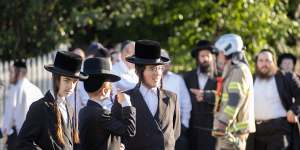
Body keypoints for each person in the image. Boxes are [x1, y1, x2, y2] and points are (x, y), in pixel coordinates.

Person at [17, 51, 88, 149]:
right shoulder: (39, 107)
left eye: (75, 81)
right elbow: (22, 143)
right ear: (55, 78)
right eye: (66, 80)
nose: (71, 86)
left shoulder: (70, 109)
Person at [124, 40, 181, 150]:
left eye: (160, 68)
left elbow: (175, 132)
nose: (158, 73)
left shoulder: (172, 98)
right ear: (140, 71)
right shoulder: (125, 98)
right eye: (152, 68)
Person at [246, 49, 300, 150]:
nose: (264, 64)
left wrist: (294, 110)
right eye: (261, 61)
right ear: (257, 63)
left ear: (273, 62)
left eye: (267, 61)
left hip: (279, 131)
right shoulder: (250, 79)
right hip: (256, 132)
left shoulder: (286, 77)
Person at [79, 57, 136, 150]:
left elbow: (100, 140)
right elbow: (129, 130)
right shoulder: (100, 114)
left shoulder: (84, 111)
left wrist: (116, 146)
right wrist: (126, 104)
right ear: (105, 91)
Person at [212, 34, 255, 150]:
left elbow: (235, 99)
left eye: (218, 53)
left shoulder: (238, 71)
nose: (216, 57)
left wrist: (223, 122)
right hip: (228, 133)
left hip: (233, 133)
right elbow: (226, 96)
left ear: (226, 51)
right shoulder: (233, 70)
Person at [183, 40, 217, 150]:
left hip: (212, 130)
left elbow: (225, 97)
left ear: (212, 57)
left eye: (208, 55)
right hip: (192, 129)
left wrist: (206, 96)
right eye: (202, 56)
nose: (205, 59)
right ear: (197, 58)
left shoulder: (220, 77)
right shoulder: (187, 77)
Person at [2, 60, 43, 150]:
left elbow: (9, 115)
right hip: (35, 138)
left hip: (18, 136)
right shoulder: (36, 89)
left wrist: (4, 132)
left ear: (19, 72)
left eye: (11, 72)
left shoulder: (15, 89)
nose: (9, 75)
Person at [160, 49, 192, 150]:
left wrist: (184, 125)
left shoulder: (177, 79)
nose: (164, 64)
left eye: (166, 61)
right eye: (161, 61)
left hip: (176, 128)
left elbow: (186, 103)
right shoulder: (148, 80)